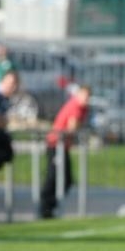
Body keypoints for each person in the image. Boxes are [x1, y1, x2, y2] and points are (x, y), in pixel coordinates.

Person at [40, 85, 91, 219]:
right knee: (55, 176)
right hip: (56, 144)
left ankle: (50, 207)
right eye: (84, 95)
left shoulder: (82, 107)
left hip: (63, 146)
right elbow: (72, 127)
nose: (86, 99)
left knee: (65, 179)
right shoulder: (76, 107)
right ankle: (45, 207)